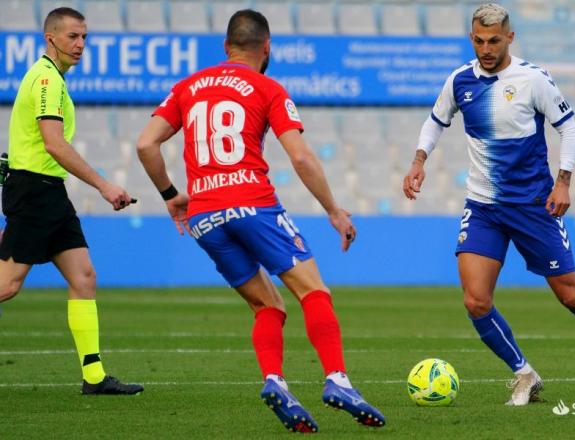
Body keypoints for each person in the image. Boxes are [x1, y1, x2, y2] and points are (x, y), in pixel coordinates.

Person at [137, 9, 385, 433]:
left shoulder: (188, 86)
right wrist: (333, 209)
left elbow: (146, 144)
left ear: (226, 47)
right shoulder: (267, 87)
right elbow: (302, 158)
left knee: (266, 304)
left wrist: (170, 196)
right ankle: (338, 380)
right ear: (266, 47)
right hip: (253, 204)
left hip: (204, 215)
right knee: (313, 291)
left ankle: (275, 381)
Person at [403, 3, 575, 406]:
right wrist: (418, 161)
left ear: (510, 38)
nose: (486, 48)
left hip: (533, 206)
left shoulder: (532, 80)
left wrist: (563, 183)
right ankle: (524, 374)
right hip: (483, 207)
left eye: (494, 40)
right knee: (476, 301)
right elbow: (435, 120)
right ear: (471, 38)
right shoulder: (460, 81)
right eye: (478, 40)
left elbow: (570, 128)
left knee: (571, 295)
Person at [0, 7, 143, 395]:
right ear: (51, 39)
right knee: (7, 285)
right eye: (72, 37)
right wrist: (103, 185)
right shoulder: (47, 79)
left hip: (49, 191)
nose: (80, 45)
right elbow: (53, 143)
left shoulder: (52, 79)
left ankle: (94, 377)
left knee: (83, 278)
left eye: (84, 38)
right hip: (34, 191)